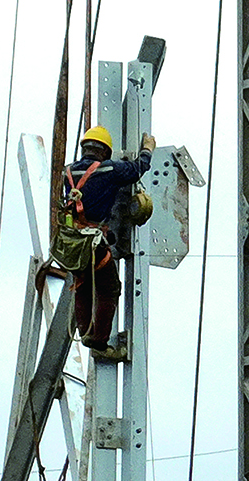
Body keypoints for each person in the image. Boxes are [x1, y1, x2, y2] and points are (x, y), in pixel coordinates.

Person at [55, 127, 154, 360]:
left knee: (82, 284)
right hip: (93, 243)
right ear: (105, 151)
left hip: (73, 243)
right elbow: (136, 169)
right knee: (109, 288)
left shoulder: (67, 172)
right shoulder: (109, 170)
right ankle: (99, 341)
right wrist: (147, 149)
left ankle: (85, 330)